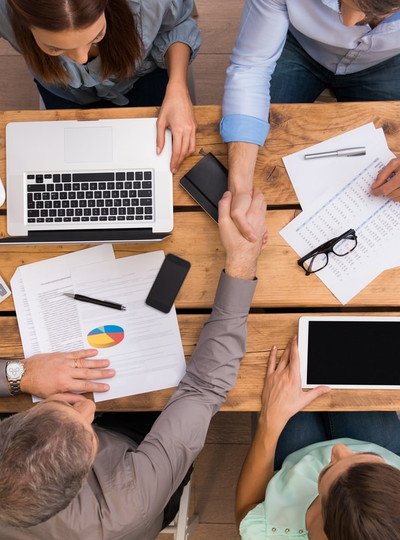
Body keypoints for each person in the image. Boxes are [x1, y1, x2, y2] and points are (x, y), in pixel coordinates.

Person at [0, 188, 268, 539]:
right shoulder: (129, 501)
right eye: (87, 428)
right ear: (82, 478)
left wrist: (19, 374)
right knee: (172, 400)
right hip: (139, 473)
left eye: (56, 408)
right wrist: (241, 264)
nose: (86, 409)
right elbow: (203, 388)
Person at [221, 0, 400, 241]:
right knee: (259, 150)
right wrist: (240, 186)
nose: (347, 23)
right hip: (299, 43)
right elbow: (252, 67)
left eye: (372, 12)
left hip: (386, 62)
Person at [1, 0, 201, 172]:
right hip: (63, 89)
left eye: (96, 35)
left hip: (142, 78)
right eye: (55, 48)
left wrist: (178, 87)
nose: (81, 59)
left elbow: (178, 23)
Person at [236, 336, 400, 539]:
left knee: (286, 353)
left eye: (329, 470)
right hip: (380, 444)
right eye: (376, 461)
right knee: (348, 346)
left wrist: (270, 421)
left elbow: (246, 509)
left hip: (291, 464)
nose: (339, 448)